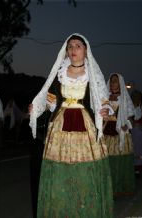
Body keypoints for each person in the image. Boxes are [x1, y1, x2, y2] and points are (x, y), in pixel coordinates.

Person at [29, 33, 114, 218]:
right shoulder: (59, 74)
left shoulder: (93, 75)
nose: (73, 49)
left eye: (78, 46)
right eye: (70, 46)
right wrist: (37, 107)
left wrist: (105, 109)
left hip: (85, 123)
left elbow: (103, 99)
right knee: (60, 169)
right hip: (60, 124)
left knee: (85, 171)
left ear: (86, 50)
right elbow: (51, 101)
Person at [103, 73, 135, 196]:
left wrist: (127, 124)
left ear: (120, 83)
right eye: (111, 81)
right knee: (108, 161)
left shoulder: (124, 98)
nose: (113, 83)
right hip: (107, 131)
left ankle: (121, 188)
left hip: (120, 132)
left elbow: (131, 116)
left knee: (120, 161)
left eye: (115, 81)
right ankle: (109, 188)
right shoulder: (105, 97)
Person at [131, 90, 142, 177]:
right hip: (134, 130)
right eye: (134, 96)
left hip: (140, 130)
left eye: (137, 96)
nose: (136, 98)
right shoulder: (130, 107)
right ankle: (136, 168)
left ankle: (139, 167)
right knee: (135, 148)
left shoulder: (140, 107)